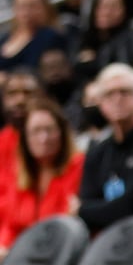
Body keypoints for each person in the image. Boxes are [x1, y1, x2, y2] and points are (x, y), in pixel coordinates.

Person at [77, 64, 133, 233]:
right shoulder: (97, 152)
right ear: (101, 104)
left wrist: (87, 210)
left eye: (125, 92)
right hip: (106, 239)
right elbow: (84, 205)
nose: (117, 99)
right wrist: (85, 210)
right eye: (109, 94)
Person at [0, 97, 82, 253]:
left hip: (62, 255)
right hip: (20, 258)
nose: (43, 139)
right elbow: (10, 227)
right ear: (25, 138)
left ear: (62, 133)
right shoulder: (19, 174)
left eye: (49, 130)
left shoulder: (79, 167)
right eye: (36, 131)